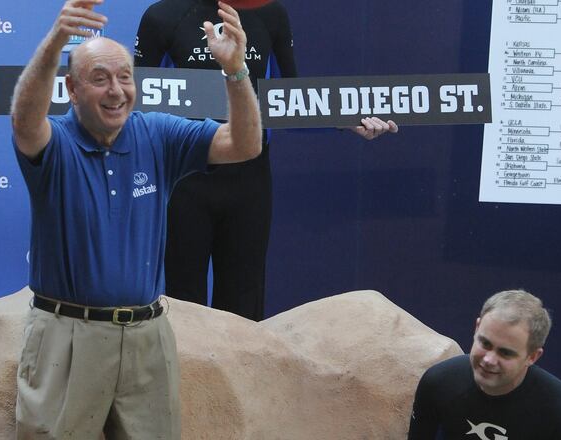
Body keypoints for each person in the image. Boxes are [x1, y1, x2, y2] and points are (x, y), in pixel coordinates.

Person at [10, 0, 260, 437]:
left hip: (147, 338)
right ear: (71, 88)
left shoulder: (156, 132)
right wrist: (54, 44)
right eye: (100, 79)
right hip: (67, 338)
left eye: (125, 77)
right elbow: (24, 121)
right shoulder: (56, 143)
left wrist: (236, 72)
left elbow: (243, 144)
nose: (116, 90)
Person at [134, 0, 398, 321]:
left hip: (250, 178)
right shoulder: (163, 15)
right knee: (182, 298)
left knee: (244, 298)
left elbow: (290, 99)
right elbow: (135, 96)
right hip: (184, 178)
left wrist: (345, 118)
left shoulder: (270, 13)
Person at [407, 290, 561, 440]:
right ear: (477, 328)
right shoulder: (438, 383)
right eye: (485, 344)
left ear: (532, 356)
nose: (489, 360)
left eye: (505, 353)